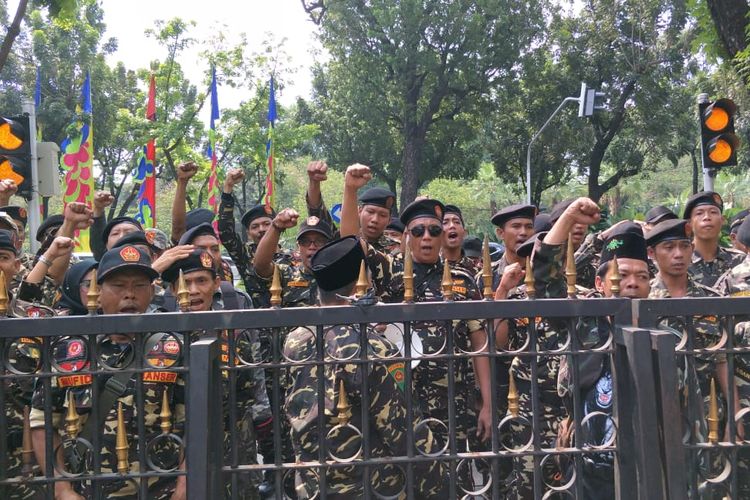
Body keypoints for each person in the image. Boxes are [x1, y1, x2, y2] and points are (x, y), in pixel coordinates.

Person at [283, 235, 445, 498]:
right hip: (369, 485)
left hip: (313, 482)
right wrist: (439, 484)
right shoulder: (373, 348)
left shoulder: (297, 337)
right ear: (363, 282)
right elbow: (401, 429)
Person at [30, 245, 186, 499]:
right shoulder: (68, 349)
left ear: (152, 292)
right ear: (98, 293)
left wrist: (183, 487)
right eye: (118, 285)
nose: (129, 295)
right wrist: (61, 488)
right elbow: (42, 422)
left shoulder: (172, 348)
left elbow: (191, 422)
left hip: (159, 489)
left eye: (139, 286)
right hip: (86, 489)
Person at [162, 250, 270, 499]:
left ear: (216, 284)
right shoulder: (161, 333)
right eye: (185, 282)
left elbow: (250, 390)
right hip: (173, 450)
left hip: (232, 448)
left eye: (201, 281)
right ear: (172, 289)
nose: (194, 290)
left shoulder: (233, 333)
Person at [219, 167, 289, 308]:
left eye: (266, 224)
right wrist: (227, 189)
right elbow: (225, 232)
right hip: (260, 325)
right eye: (255, 226)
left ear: (278, 226)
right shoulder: (244, 255)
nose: (262, 229)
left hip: (298, 326)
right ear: (249, 233)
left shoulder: (294, 257)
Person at [683, 191, 744, 291]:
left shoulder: (740, 260)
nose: (707, 217)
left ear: (722, 220)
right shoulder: (680, 261)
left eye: (713, 212)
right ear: (689, 223)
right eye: (699, 213)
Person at [481, 203, 536, 291]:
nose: (523, 232)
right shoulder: (487, 275)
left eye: (529, 227)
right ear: (500, 233)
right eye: (516, 226)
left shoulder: (544, 271)